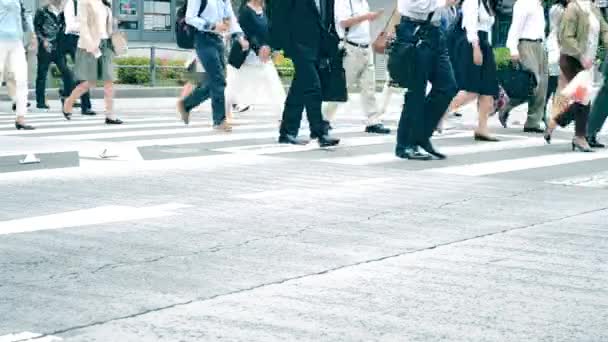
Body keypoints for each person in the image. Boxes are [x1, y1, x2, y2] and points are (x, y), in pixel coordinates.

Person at [270, 0, 341, 147]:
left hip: (315, 46)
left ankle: (287, 132)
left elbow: (324, 18)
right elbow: (278, 14)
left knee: (299, 90)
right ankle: (319, 132)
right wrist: (277, 45)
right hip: (297, 45)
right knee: (313, 87)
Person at [393, 0, 459, 160]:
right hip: (414, 30)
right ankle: (405, 144)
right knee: (416, 91)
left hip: (435, 32)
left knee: (448, 86)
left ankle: (421, 135)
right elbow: (412, 4)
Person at [545, 0, 608, 151]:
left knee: (582, 100)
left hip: (586, 60)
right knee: (584, 100)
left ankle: (554, 123)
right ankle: (579, 137)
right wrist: (581, 56)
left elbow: (604, 30)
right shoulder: (573, 8)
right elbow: (566, 37)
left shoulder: (593, 8)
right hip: (572, 59)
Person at [177, 0, 249, 132]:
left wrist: (240, 37)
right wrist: (211, 26)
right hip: (203, 39)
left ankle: (186, 104)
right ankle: (219, 121)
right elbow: (190, 18)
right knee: (218, 80)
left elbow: (230, 17)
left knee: (217, 81)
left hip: (218, 40)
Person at [322, 0, 389, 135]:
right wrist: (366, 17)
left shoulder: (363, 3)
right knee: (341, 87)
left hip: (366, 48)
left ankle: (373, 121)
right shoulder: (343, 2)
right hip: (350, 49)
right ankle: (324, 120)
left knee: (369, 87)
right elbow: (343, 22)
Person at [224, 0, 285, 125]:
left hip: (263, 57)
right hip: (244, 57)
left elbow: (270, 31)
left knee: (274, 85)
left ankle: (285, 115)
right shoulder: (246, 11)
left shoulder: (266, 9)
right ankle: (223, 114)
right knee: (231, 87)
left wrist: (273, 48)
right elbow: (247, 34)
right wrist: (259, 49)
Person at [62, 0, 123, 124]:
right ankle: (69, 102)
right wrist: (93, 48)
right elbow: (84, 28)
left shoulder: (106, 4)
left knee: (109, 81)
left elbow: (108, 27)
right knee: (89, 83)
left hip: (107, 45)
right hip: (91, 45)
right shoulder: (84, 3)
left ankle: (109, 115)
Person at [446, 0, 499, 141]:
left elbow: (488, 28)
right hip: (472, 44)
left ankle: (482, 128)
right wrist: (476, 47)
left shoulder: (487, 3)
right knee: (471, 90)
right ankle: (437, 114)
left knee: (487, 90)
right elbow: (470, 24)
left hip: (485, 44)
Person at [499, 0, 547, 132]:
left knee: (542, 85)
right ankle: (506, 106)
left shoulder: (539, 6)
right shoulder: (523, 3)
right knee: (531, 84)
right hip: (526, 45)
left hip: (540, 45)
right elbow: (515, 28)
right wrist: (512, 50)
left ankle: (533, 122)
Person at [0, 0, 36, 130]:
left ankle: (21, 118)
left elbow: (26, 13)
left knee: (22, 79)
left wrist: (32, 34)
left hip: (17, 41)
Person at [34, 0, 75, 111]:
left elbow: (64, 29)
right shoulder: (42, 11)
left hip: (58, 48)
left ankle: (66, 96)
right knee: (42, 75)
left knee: (67, 73)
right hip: (45, 48)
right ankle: (40, 102)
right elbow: (37, 29)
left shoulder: (63, 13)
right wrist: (43, 40)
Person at [62, 0, 95, 115]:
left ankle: (66, 93)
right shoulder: (72, 3)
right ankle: (85, 106)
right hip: (72, 39)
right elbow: (70, 26)